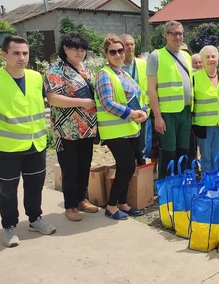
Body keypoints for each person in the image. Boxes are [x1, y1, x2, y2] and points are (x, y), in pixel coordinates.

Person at [0, 35, 56, 247]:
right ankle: (9, 227)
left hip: (35, 143)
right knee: (7, 189)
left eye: (25, 53)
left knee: (35, 185)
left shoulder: (37, 78)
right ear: (4, 55)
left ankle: (35, 219)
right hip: (6, 148)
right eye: (16, 53)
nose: (21, 57)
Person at [45, 33, 99, 222]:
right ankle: (70, 205)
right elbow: (52, 98)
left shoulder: (85, 69)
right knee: (70, 168)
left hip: (87, 128)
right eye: (75, 48)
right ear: (65, 48)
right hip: (66, 130)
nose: (79, 52)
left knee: (84, 165)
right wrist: (81, 102)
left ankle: (81, 199)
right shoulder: (56, 69)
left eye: (83, 49)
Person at [95, 35, 147, 220]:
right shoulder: (104, 74)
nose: (118, 54)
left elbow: (137, 97)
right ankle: (111, 205)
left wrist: (143, 112)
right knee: (125, 167)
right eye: (113, 52)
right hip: (115, 131)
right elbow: (107, 103)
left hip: (128, 129)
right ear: (106, 54)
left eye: (120, 50)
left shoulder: (122, 73)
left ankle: (123, 203)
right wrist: (133, 114)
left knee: (127, 167)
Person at [147, 20, 194, 179]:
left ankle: (180, 186)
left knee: (184, 151)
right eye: (174, 33)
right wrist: (157, 116)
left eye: (180, 33)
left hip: (186, 111)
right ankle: (166, 188)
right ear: (166, 35)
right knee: (168, 152)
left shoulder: (187, 56)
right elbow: (151, 89)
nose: (178, 37)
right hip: (167, 113)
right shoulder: (156, 56)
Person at [192, 45, 219, 171]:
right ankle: (206, 186)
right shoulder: (194, 77)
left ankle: (218, 186)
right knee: (206, 158)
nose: (211, 59)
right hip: (203, 126)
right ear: (202, 60)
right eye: (207, 57)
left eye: (213, 56)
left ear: (218, 59)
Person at [120, 34, 148, 166]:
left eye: (132, 44)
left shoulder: (143, 64)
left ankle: (141, 178)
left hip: (142, 112)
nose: (130, 47)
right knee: (127, 151)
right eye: (126, 44)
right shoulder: (115, 67)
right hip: (124, 113)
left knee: (141, 148)